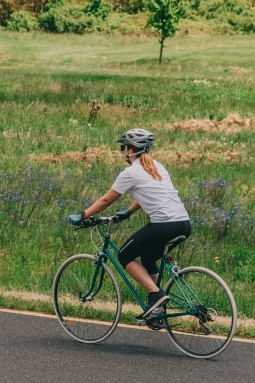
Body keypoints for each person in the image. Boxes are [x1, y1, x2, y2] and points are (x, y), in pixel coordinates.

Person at [69, 128, 193, 323]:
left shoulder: (130, 172)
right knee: (148, 258)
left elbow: (106, 200)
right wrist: (127, 212)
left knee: (124, 255)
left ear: (131, 150)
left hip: (164, 225)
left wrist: (83, 215)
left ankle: (156, 295)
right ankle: (157, 308)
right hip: (184, 224)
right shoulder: (157, 167)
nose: (123, 152)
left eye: (123, 148)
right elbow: (147, 195)